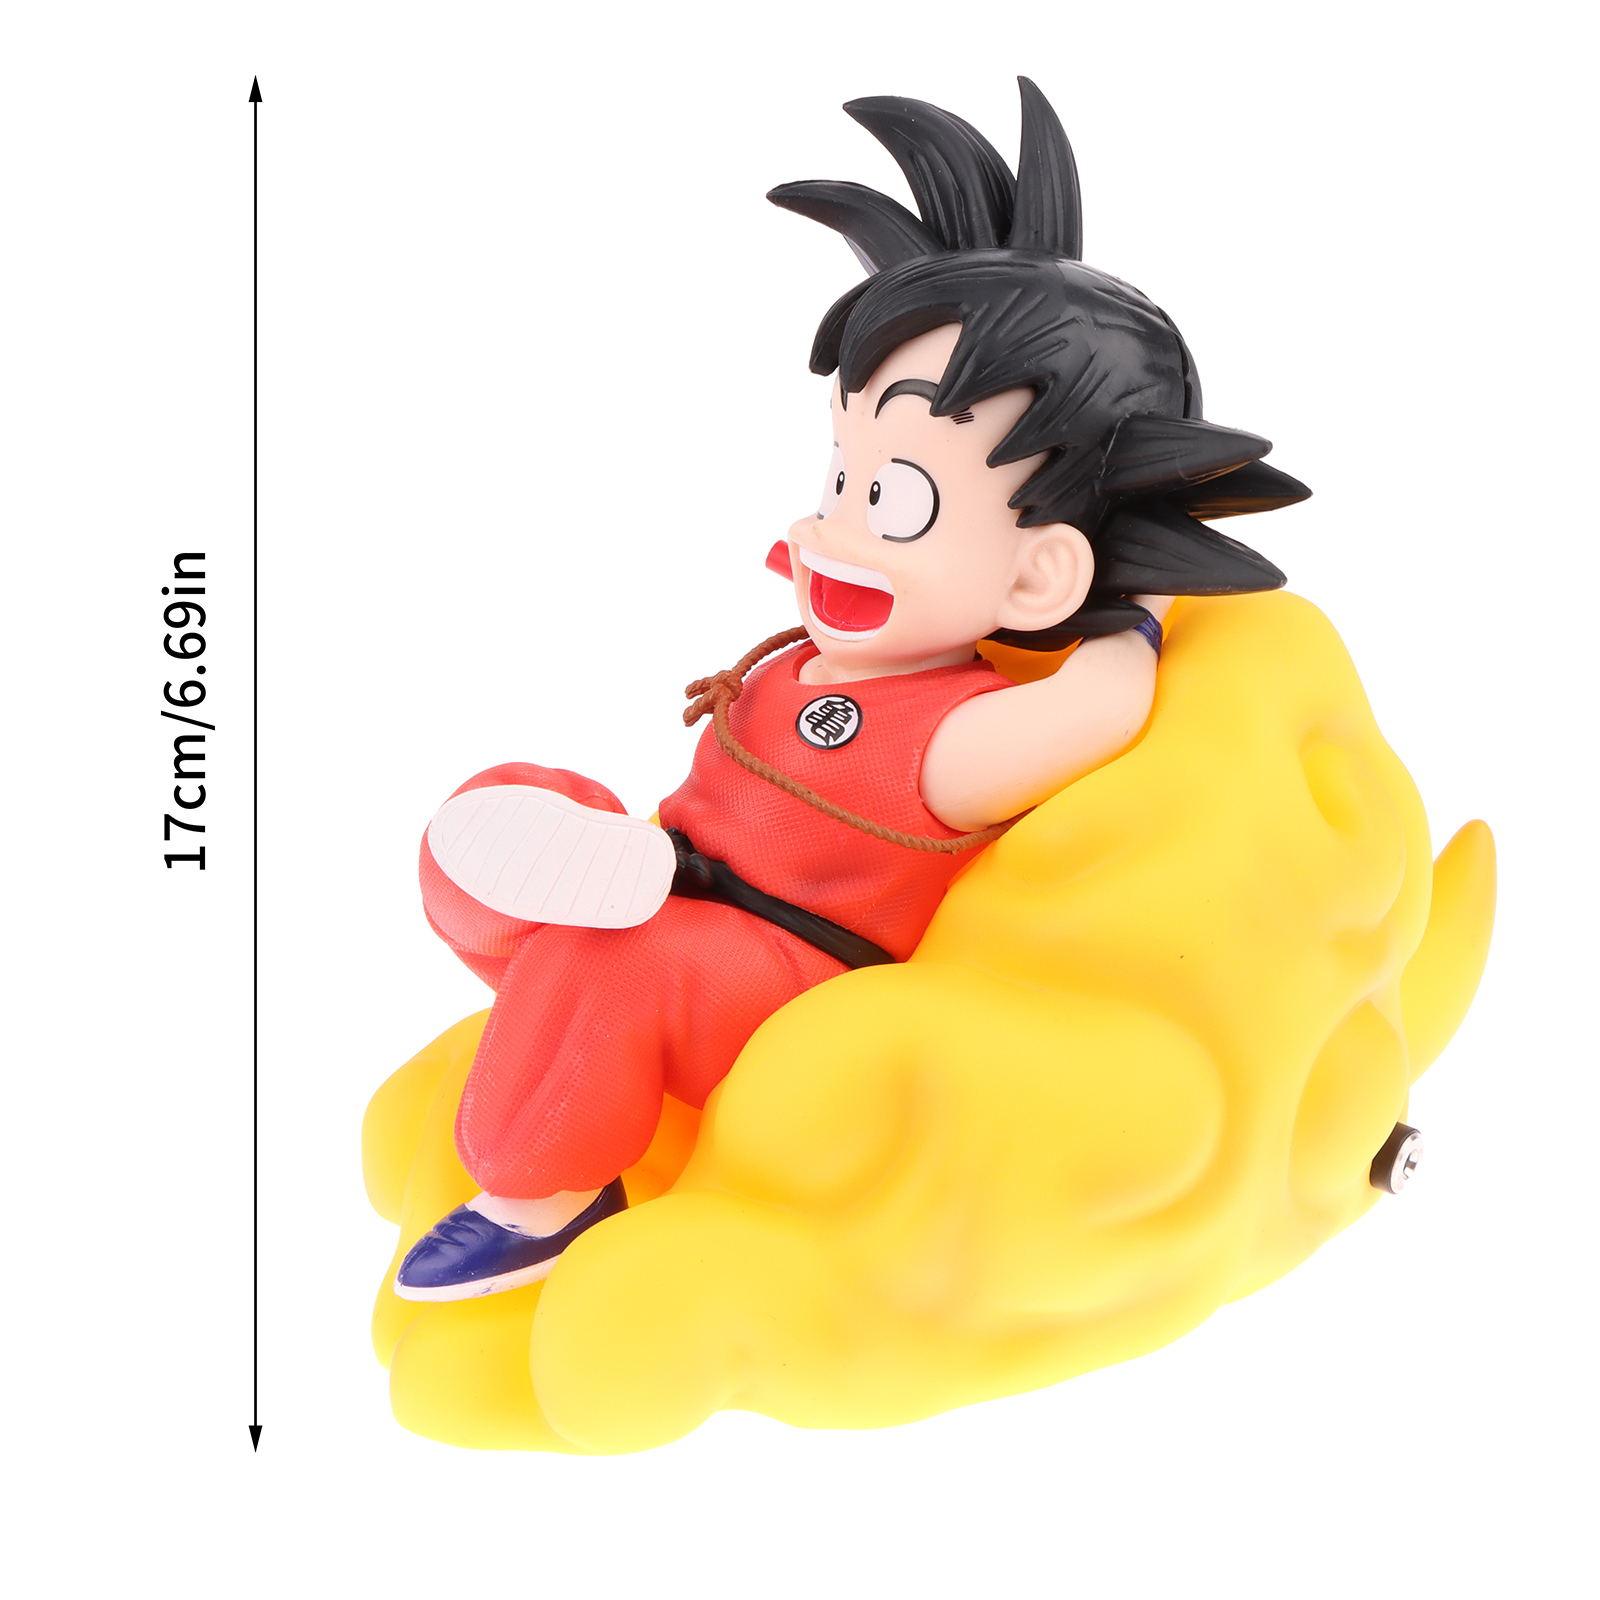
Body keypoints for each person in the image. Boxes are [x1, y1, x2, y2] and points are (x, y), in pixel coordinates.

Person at [394, 79, 1309, 1301]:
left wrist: (1134, 611)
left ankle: (542, 1189)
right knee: (492, 823)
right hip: (679, 872)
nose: (836, 527)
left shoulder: (949, 735)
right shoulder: (807, 655)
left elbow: (1098, 710)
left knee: (616, 963)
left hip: (783, 970)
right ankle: (581, 962)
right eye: (842, 475)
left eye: (895, 501)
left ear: (1036, 573)